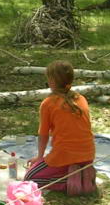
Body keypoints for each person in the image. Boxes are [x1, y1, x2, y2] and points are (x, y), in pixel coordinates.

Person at [24, 60, 95, 193]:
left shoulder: (48, 103)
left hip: (64, 155)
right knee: (39, 172)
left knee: (30, 178)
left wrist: (40, 158)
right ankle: (81, 173)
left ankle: (72, 182)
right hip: (88, 155)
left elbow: (43, 134)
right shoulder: (81, 98)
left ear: (51, 81)